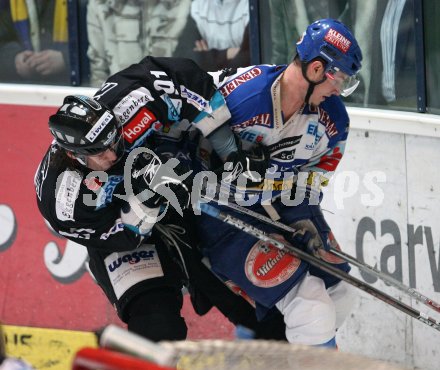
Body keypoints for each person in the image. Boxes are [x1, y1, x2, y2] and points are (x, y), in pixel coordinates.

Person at [34, 56, 285, 342]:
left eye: (114, 139)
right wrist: (150, 199)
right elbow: (121, 235)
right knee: (157, 323)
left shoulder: (130, 97)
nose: (113, 154)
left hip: (176, 190)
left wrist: (229, 150)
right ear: (73, 155)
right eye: (100, 152)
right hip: (126, 233)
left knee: (246, 296)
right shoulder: (62, 197)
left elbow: (186, 79)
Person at [194, 18, 363, 346]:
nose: (338, 90)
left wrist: (302, 219)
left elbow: (312, 178)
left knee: (339, 290)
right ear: (316, 70)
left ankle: (260, 349)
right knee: (311, 308)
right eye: (338, 78)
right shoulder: (243, 95)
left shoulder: (333, 120)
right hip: (217, 215)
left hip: (270, 204)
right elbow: (185, 133)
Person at [86, 0, 191, 87]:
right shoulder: (100, 4)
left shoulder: (186, 4)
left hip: (175, 104)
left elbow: (193, 68)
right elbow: (98, 70)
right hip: (119, 103)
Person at [0, 0, 69, 83]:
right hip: (25, 88)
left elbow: (87, 45)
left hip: (68, 85)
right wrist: (15, 59)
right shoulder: (10, 3)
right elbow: (3, 40)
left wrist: (65, 59)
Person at [174, 0, 250, 71]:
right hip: (210, 83)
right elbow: (180, 59)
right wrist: (226, 54)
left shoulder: (252, 5)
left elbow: (250, 59)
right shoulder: (199, 5)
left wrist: (207, 60)